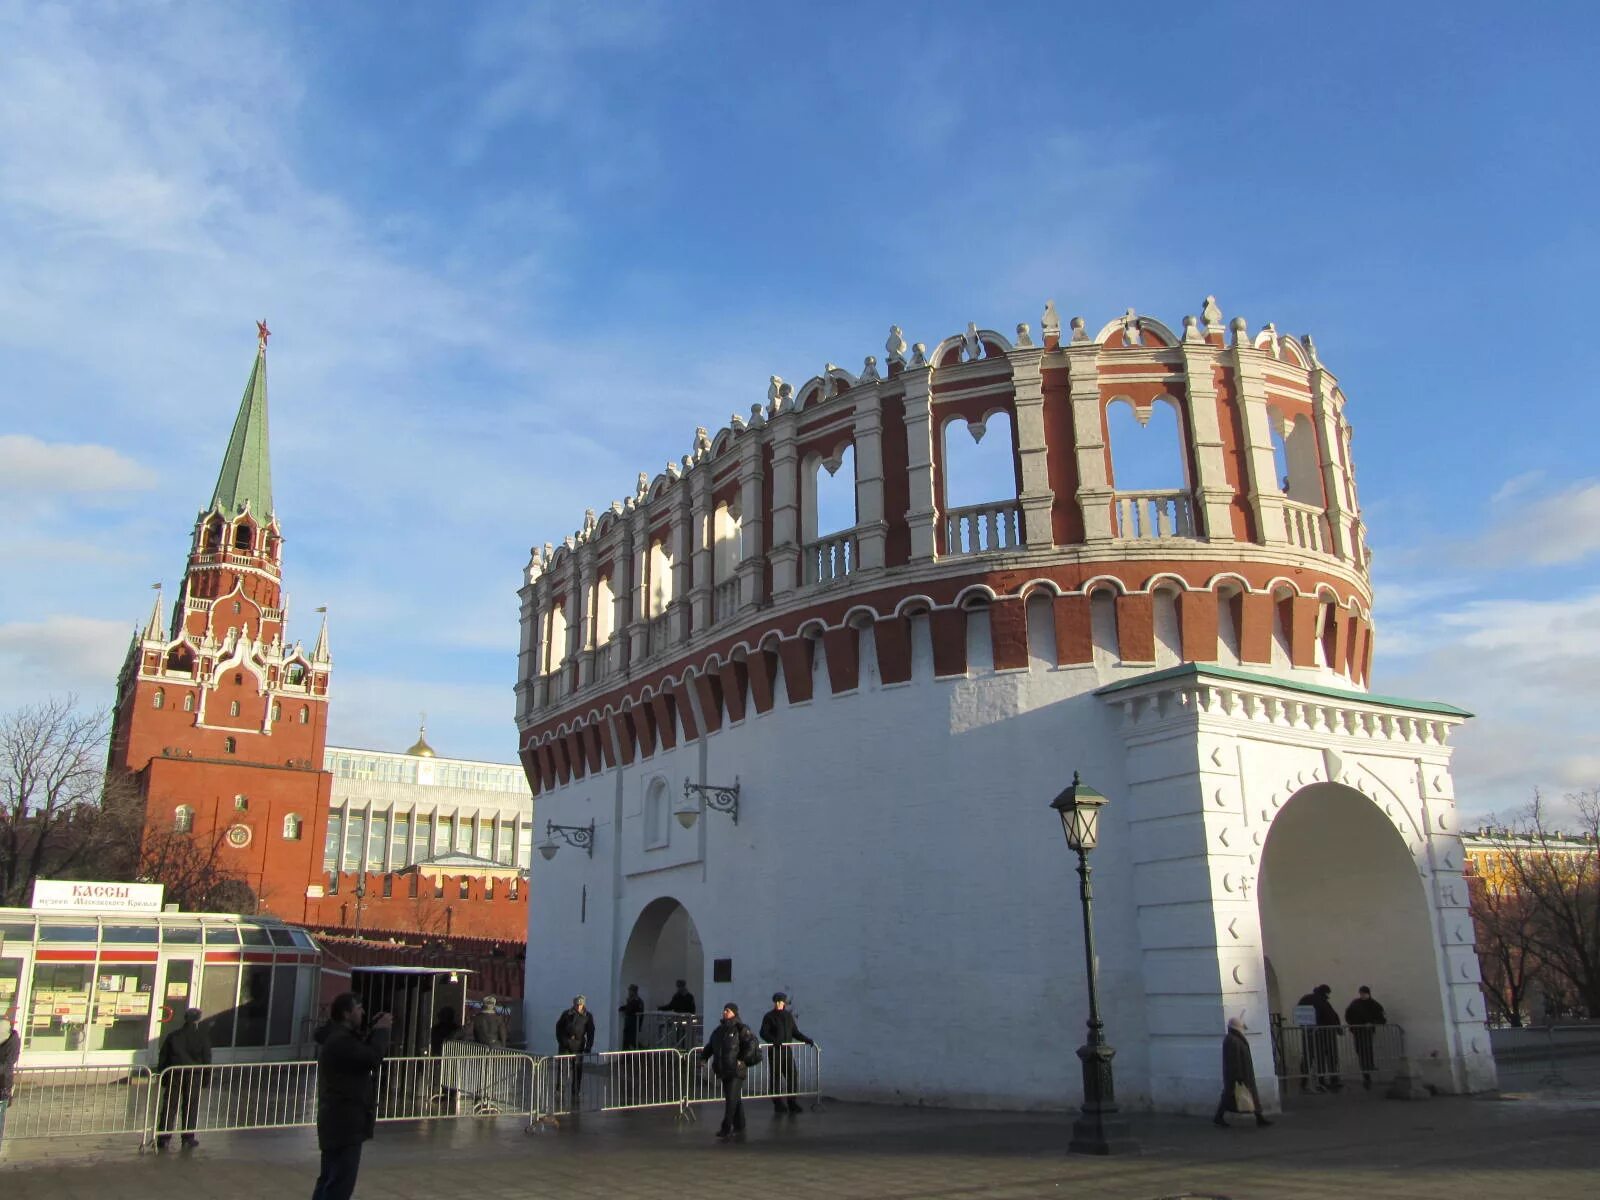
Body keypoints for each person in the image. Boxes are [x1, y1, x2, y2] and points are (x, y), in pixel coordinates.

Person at [310, 991, 392, 1200]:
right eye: (358, 1008)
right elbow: (372, 1058)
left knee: (330, 1179)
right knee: (340, 1185)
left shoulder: (338, 1037)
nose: (362, 1012)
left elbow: (360, 1051)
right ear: (347, 1013)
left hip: (337, 1121)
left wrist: (373, 1032)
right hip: (344, 1122)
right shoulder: (340, 1041)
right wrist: (382, 1032)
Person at [700, 1002, 760, 1141]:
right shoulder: (719, 1030)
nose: (724, 1012)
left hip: (736, 1070)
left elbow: (750, 1045)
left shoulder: (741, 1028)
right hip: (723, 1069)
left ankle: (726, 1128)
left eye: (728, 1010)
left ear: (734, 1013)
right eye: (724, 1010)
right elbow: (711, 1046)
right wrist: (703, 1058)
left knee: (731, 1100)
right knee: (734, 1099)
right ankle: (740, 1125)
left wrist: (741, 1059)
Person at [156, 1006, 211, 1150]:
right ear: (198, 1019)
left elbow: (163, 1057)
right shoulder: (202, 1037)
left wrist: (163, 1076)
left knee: (169, 1106)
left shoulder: (174, 1036)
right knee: (190, 1106)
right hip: (194, 1075)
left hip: (175, 1074)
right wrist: (206, 1079)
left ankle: (164, 1139)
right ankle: (188, 1138)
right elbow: (207, 1059)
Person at [759, 992, 814, 1114]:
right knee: (776, 1078)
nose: (779, 1004)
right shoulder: (769, 1016)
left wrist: (806, 1039)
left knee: (792, 1076)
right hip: (775, 1051)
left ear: (784, 1003)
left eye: (781, 1002)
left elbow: (795, 1032)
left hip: (787, 1051)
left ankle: (792, 1103)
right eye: (777, 1002)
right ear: (774, 1003)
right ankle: (778, 1103)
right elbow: (763, 1032)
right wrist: (774, 1041)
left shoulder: (788, 1017)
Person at [1213, 1017, 1271, 1128]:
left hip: (1241, 1073)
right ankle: (1218, 1117)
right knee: (1230, 1096)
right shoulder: (1232, 1040)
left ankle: (1259, 1118)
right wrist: (1238, 1076)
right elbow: (1234, 1060)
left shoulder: (1234, 1038)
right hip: (1238, 1074)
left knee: (1242, 1095)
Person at [1296, 984, 1344, 1092]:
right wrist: (1338, 1029)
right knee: (1327, 1057)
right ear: (1325, 993)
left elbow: (1300, 1015)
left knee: (1308, 1058)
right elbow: (1331, 1016)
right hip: (1324, 1034)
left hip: (1309, 1033)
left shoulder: (1306, 999)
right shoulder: (1322, 1001)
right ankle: (1327, 1081)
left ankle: (1304, 1082)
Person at [1344, 986, 1388, 1089]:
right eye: (1361, 993)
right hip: (1357, 1031)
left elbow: (1382, 1019)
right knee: (1360, 1051)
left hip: (1367, 1032)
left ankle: (1368, 1071)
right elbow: (1348, 1015)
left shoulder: (1374, 1004)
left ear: (1368, 993)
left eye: (1364, 993)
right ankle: (1366, 1074)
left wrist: (1372, 1023)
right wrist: (1352, 1025)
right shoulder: (1355, 1003)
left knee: (1366, 1050)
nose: (1362, 995)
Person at [555, 995, 595, 1106]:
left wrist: (588, 1046)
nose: (578, 1006)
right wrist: (562, 1041)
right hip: (566, 1045)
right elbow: (558, 1028)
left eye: (581, 1004)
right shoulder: (567, 1014)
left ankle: (575, 1091)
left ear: (584, 1004)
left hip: (578, 1046)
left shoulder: (587, 1016)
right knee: (562, 1068)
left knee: (577, 1069)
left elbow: (591, 1032)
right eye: (577, 1004)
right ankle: (559, 1089)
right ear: (574, 1004)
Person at [0, 1015, 19, 1144]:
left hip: (4, 1082)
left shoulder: (12, 1040)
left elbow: (8, 1065)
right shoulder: (12, 1038)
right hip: (5, 1082)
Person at [619, 984, 645, 1050]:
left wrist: (628, 1003)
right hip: (629, 1025)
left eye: (630, 990)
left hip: (632, 1025)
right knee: (627, 1042)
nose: (629, 992)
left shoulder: (636, 1001)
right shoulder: (634, 1000)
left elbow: (630, 1011)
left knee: (632, 1041)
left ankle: (645, 1052)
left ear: (633, 991)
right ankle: (625, 1058)